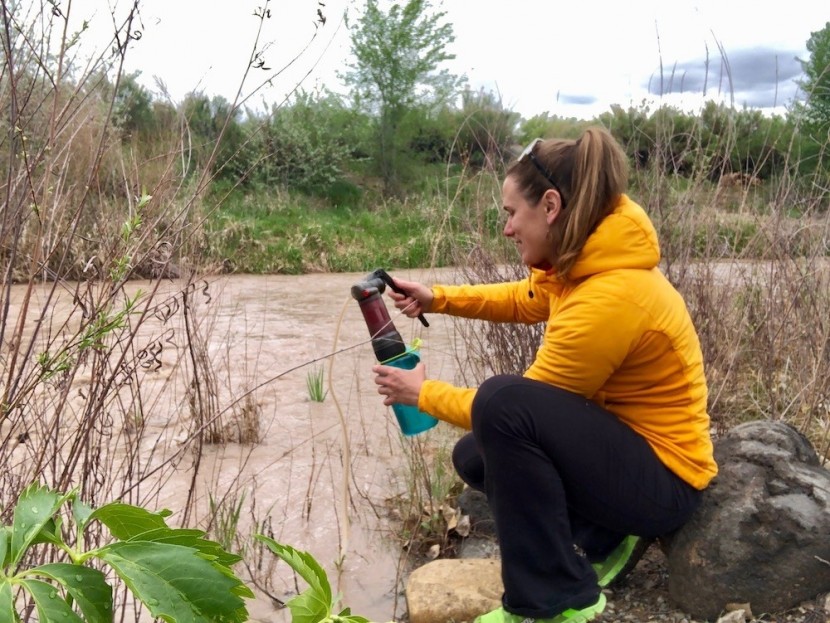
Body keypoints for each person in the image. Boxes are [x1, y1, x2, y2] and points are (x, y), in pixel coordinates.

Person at [372, 126, 717, 623]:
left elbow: (518, 407)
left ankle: (553, 601)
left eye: (512, 213)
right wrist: (437, 298)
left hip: (665, 481)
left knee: (501, 407)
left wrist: (422, 393)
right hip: (630, 455)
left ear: (551, 206)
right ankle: (602, 536)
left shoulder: (610, 296)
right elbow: (526, 297)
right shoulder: (582, 262)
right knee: (476, 455)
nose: (507, 229)